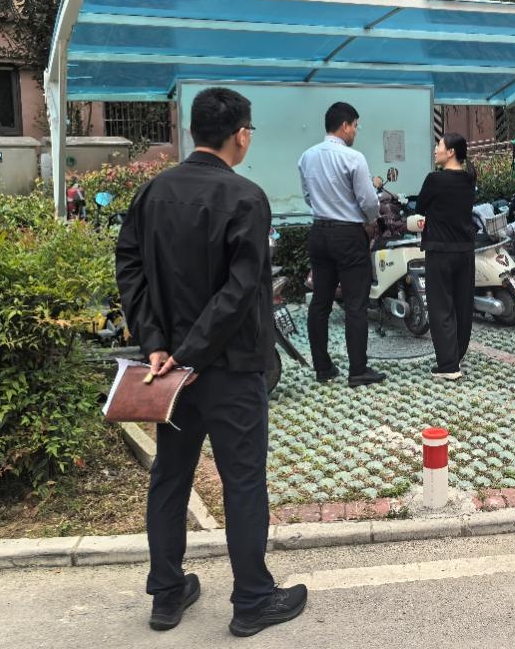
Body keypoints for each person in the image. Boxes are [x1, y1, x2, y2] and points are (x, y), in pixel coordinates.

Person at [116, 87, 307, 638]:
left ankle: (166, 592)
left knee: (170, 475)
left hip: (167, 372)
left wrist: (157, 342)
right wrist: (193, 350)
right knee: (242, 480)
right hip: (231, 366)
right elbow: (241, 290)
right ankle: (252, 600)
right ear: (240, 135)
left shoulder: (153, 192)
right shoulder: (246, 197)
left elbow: (129, 264)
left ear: (192, 132)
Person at [298, 102, 386, 387]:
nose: (356, 132)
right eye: (355, 126)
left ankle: (322, 367)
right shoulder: (353, 158)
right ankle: (358, 370)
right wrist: (370, 221)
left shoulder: (307, 157)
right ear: (345, 125)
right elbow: (369, 201)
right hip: (348, 235)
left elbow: (308, 196)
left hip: (319, 232)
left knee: (320, 301)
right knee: (355, 303)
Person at [416, 133, 477, 380]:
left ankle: (448, 365)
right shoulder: (469, 179)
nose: (435, 150)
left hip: (440, 250)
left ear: (451, 151)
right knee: (463, 306)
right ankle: (456, 356)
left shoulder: (435, 180)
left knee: (441, 306)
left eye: (438, 145)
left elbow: (420, 207)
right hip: (465, 251)